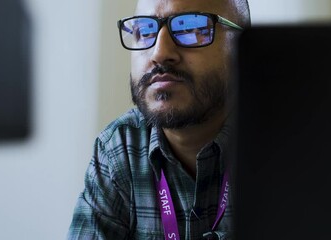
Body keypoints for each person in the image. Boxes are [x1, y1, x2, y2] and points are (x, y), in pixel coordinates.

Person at [67, 0, 250, 239]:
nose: (159, 53)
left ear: (244, 45)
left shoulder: (291, 147)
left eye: (190, 29)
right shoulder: (120, 151)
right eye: (144, 31)